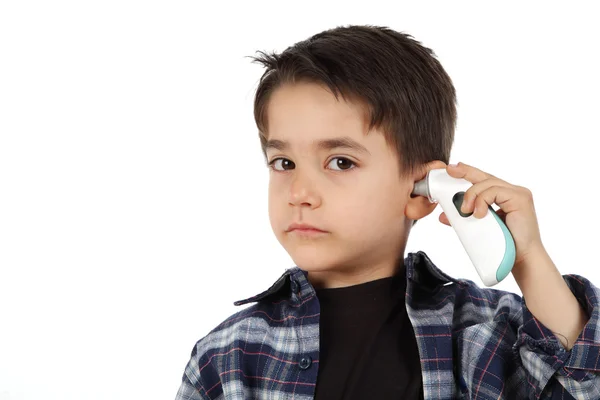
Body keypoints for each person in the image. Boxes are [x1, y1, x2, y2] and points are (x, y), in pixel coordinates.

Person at [175, 25, 600, 399]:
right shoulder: (227, 355)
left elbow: (584, 385)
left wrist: (530, 260)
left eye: (341, 162)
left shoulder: (486, 333)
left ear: (421, 191)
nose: (299, 192)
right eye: (283, 163)